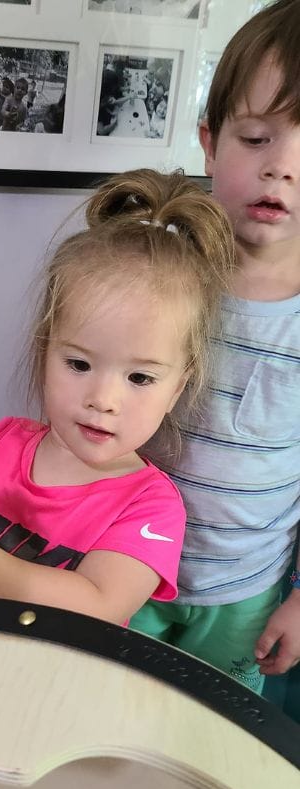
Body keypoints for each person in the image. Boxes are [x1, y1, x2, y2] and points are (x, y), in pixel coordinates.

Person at [0, 169, 234, 623]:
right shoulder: (2, 442)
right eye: (79, 365)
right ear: (45, 353)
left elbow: (99, 605)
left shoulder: (151, 507)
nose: (102, 399)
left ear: (178, 386)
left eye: (139, 378)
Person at [130, 0, 300, 691]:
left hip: (245, 590)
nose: (281, 167)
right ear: (209, 141)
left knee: (215, 742)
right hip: (125, 562)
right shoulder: (161, 273)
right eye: (257, 139)